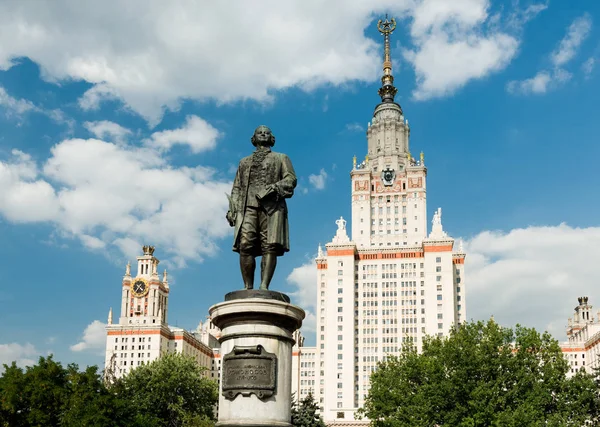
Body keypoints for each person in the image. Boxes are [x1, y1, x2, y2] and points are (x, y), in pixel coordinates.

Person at [226, 125, 297, 290]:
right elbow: (237, 187)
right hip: (248, 207)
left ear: (271, 138)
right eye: (260, 132)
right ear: (254, 138)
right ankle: (247, 287)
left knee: (269, 245)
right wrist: (232, 209)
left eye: (267, 132)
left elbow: (291, 179)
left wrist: (274, 188)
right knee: (245, 244)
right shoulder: (244, 162)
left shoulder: (281, 158)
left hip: (271, 208)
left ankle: (264, 286)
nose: (263, 134)